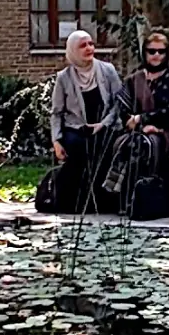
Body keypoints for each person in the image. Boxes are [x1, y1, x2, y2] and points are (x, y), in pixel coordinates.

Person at [103, 32, 169, 203]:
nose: (156, 55)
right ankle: (123, 198)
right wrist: (138, 125)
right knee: (123, 144)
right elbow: (123, 109)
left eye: (161, 51)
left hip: (164, 131)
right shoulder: (134, 79)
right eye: (152, 51)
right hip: (135, 130)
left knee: (147, 145)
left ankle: (147, 197)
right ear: (144, 52)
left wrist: (144, 120)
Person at [48, 29, 121, 211]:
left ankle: (105, 202)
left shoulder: (108, 70)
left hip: (105, 126)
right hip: (76, 128)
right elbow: (56, 112)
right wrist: (56, 141)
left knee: (105, 148)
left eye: (91, 44)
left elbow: (118, 103)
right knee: (78, 148)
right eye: (83, 46)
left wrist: (103, 124)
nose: (89, 48)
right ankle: (76, 202)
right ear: (73, 50)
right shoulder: (64, 77)